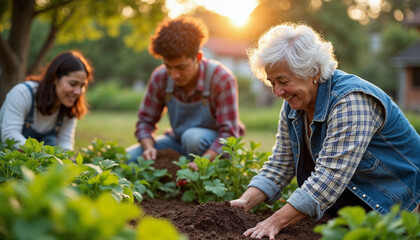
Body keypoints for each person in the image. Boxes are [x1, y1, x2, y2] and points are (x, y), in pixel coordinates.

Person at [230, 23, 420, 240]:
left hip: (402, 208)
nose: (277, 91)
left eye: (283, 81)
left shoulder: (351, 102)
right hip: (355, 208)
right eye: (272, 82)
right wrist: (245, 201)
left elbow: (329, 177)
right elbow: (281, 163)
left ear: (314, 72)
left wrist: (274, 221)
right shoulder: (295, 103)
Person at [126, 16, 245, 170]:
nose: (174, 75)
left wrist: (201, 163)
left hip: (213, 146)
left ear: (198, 57)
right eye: (168, 66)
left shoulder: (221, 79)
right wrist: (148, 147)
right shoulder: (160, 77)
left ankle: (202, 176)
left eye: (181, 67)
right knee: (129, 158)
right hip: (178, 141)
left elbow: (228, 135)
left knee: (192, 137)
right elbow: (145, 121)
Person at [0, 51, 93, 151]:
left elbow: (65, 144)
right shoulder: (22, 94)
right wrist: (44, 155)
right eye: (73, 84)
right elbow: (10, 135)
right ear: (55, 78)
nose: (78, 92)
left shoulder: (69, 107)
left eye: (82, 86)